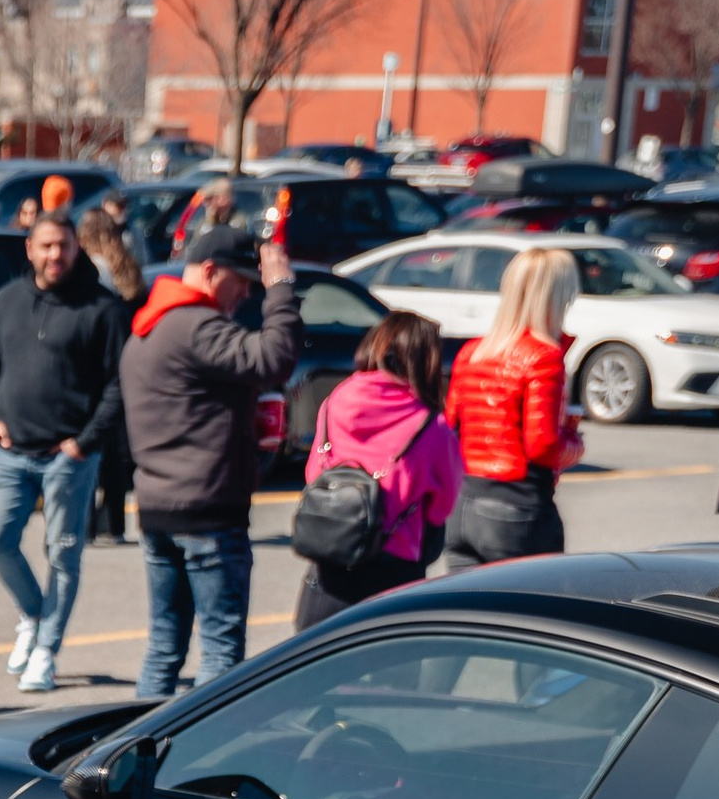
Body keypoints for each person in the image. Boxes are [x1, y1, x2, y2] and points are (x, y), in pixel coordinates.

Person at [118, 217, 299, 699]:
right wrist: (281, 288)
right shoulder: (196, 325)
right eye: (242, 284)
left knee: (164, 645)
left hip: (159, 505)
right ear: (213, 271)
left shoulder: (151, 326)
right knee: (220, 650)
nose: (246, 297)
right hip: (207, 511)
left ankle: (129, 755)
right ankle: (195, 766)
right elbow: (274, 358)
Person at [0, 206, 128, 690]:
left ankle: (46, 650)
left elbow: (119, 384)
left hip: (69, 459)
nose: (56, 254)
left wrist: (83, 443)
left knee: (63, 556)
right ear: (30, 249)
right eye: (47, 245)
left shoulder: (103, 308)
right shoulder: (7, 300)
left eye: (64, 245)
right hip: (11, 452)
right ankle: (33, 616)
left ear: (78, 248)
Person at [290, 309, 463, 633]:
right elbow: (442, 507)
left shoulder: (334, 401)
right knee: (388, 678)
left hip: (331, 560)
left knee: (320, 672)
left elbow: (315, 473)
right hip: (394, 573)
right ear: (424, 361)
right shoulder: (432, 426)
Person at [437, 247, 582, 570]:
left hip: (463, 504)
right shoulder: (544, 357)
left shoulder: (473, 352)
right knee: (526, 613)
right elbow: (542, 445)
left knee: (465, 614)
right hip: (517, 508)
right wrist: (574, 444)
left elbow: (451, 427)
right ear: (558, 296)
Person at [73, 200, 145, 543]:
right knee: (115, 450)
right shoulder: (127, 268)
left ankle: (85, 523)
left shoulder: (91, 269)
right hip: (126, 362)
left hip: (95, 363)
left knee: (90, 443)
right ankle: (113, 523)